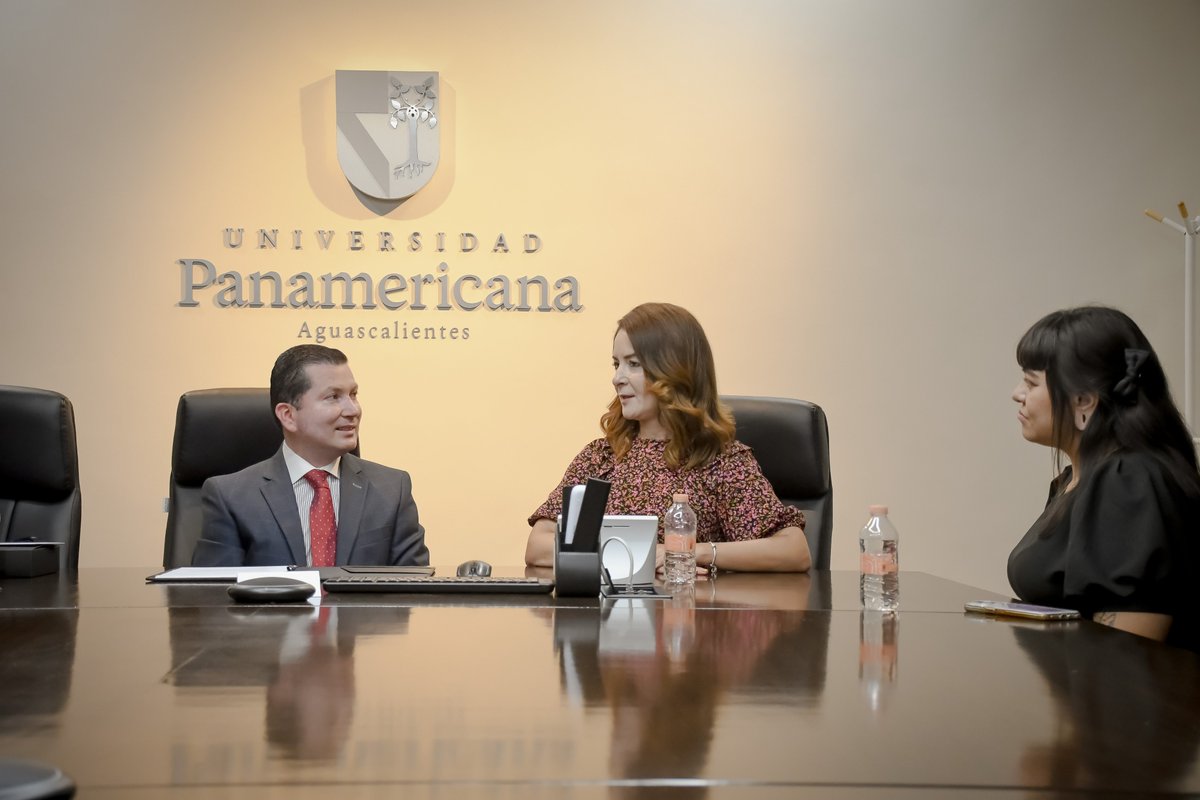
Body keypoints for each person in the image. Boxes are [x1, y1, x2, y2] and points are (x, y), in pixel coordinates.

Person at [524, 302, 810, 573]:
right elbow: (538, 547)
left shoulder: (719, 460)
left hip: (688, 619)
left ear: (674, 371)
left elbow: (794, 551)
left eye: (633, 364)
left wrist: (688, 551)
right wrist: (641, 556)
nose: (617, 378)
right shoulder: (600, 456)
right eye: (616, 364)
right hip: (605, 620)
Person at [1008, 306, 1200, 650]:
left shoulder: (1129, 480)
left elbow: (1128, 656)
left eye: (1031, 382)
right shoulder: (1073, 481)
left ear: (1084, 401)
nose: (1017, 393)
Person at [191, 344, 429, 567]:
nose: (353, 410)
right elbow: (214, 597)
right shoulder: (231, 496)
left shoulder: (392, 489)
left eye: (353, 394)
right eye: (333, 397)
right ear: (288, 415)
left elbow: (412, 592)